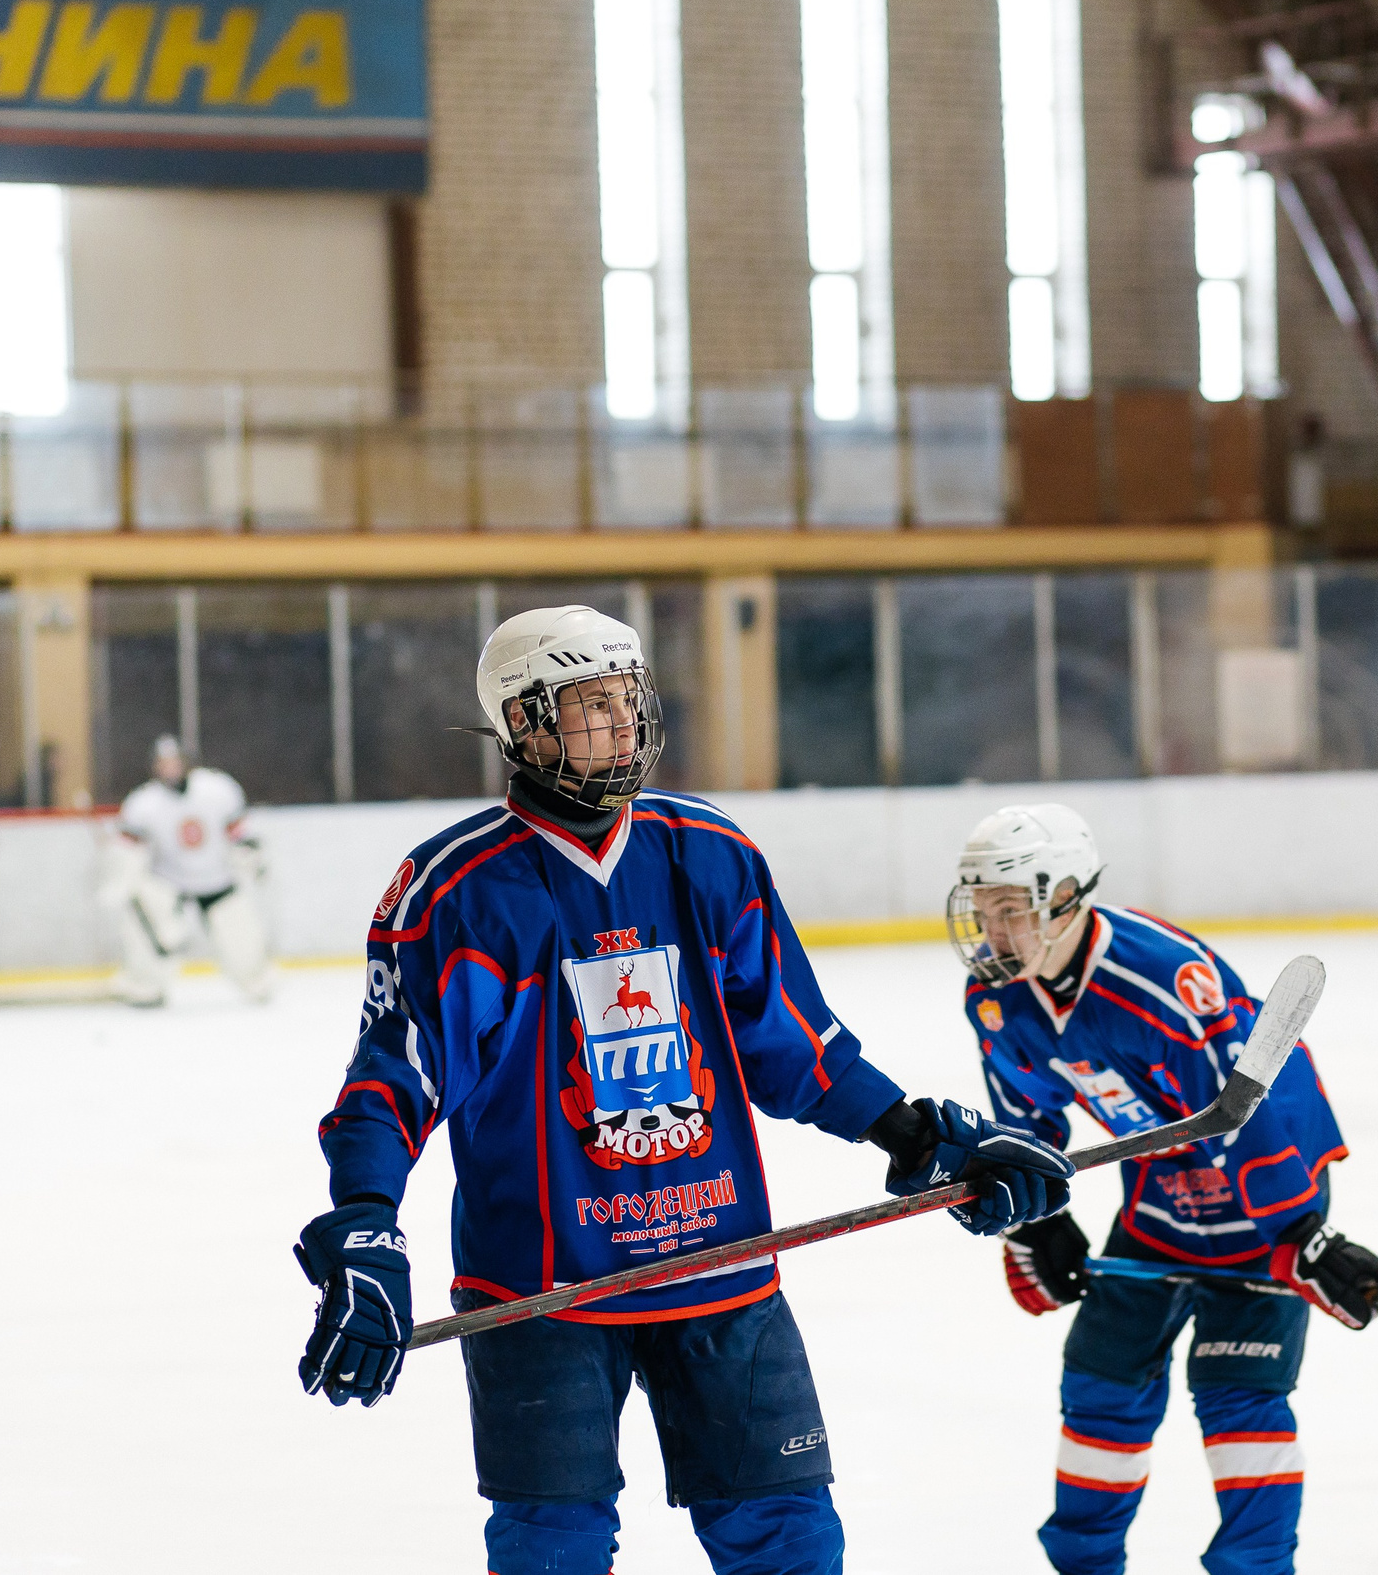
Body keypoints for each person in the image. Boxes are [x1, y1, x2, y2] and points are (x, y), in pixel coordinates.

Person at [296, 605, 1075, 1575]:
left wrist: (913, 1134)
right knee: (552, 1550)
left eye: (629, 700)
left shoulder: (708, 852)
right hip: (543, 1288)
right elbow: (394, 1079)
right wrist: (364, 1225)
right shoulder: (459, 890)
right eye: (591, 706)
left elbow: (795, 1046)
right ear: (526, 724)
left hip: (720, 1263)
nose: (622, 724)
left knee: (790, 1537)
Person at [948, 802, 1378, 1575]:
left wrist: (1300, 1235)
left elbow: (1248, 1108)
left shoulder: (1160, 979)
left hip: (1271, 1187)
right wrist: (1034, 1219)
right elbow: (1028, 1125)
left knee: (1238, 1394)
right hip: (1162, 1192)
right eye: (983, 911)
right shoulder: (1001, 1000)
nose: (993, 932)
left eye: (1011, 911)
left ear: (1064, 897)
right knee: (1101, 1381)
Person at [103, 735, 272, 1007]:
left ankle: (256, 981)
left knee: (242, 942)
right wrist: (119, 873)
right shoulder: (143, 802)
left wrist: (251, 856)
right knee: (143, 926)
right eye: (163, 763)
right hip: (169, 882)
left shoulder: (217, 789)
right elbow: (128, 849)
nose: (170, 768)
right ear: (154, 767)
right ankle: (145, 985)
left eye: (174, 762)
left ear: (186, 762)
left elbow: (240, 832)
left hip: (216, 881)